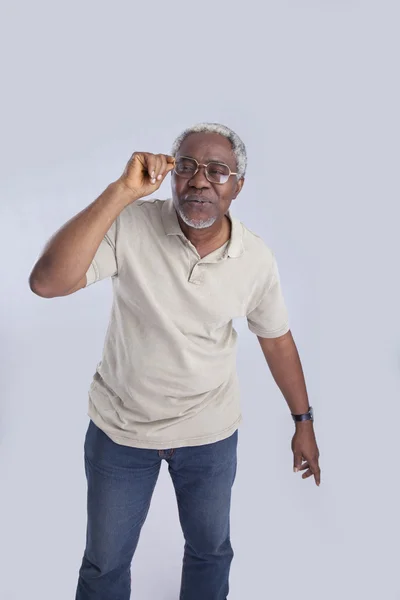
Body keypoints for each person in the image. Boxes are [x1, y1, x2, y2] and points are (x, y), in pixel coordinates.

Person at [29, 122, 321, 600]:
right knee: (103, 567)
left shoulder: (255, 259)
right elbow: (47, 282)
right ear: (171, 175)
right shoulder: (131, 223)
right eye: (186, 166)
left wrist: (303, 421)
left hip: (209, 434)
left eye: (217, 170)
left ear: (237, 187)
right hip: (122, 432)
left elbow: (278, 341)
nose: (200, 180)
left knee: (210, 552)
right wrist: (121, 192)